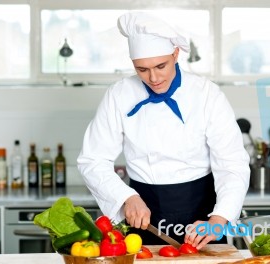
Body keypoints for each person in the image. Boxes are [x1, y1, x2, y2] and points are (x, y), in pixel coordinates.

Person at [77, 12, 250, 250]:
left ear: (176, 53)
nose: (154, 78)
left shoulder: (206, 94)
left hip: (201, 212)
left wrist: (220, 218)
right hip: (142, 213)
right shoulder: (119, 95)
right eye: (142, 69)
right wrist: (126, 197)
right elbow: (92, 160)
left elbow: (232, 163)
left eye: (161, 66)